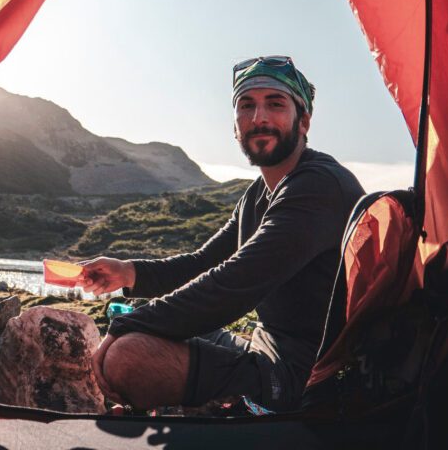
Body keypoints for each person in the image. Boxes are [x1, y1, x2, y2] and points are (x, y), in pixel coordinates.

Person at [79, 56, 365, 412]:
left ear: (303, 121)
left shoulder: (319, 186)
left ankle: (220, 402)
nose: (259, 117)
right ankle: (212, 400)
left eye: (275, 104)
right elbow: (204, 264)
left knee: (127, 355)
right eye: (247, 106)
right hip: (262, 350)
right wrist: (128, 272)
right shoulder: (258, 194)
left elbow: (236, 282)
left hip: (308, 376)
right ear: (235, 127)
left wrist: (125, 326)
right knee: (147, 325)